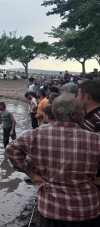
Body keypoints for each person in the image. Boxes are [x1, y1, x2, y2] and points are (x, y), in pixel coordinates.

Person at [6, 95, 100, 226]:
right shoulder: (95, 139)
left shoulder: (35, 135)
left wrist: (33, 176)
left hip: (52, 208)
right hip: (86, 209)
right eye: (82, 109)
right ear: (73, 114)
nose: (84, 112)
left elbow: (11, 149)